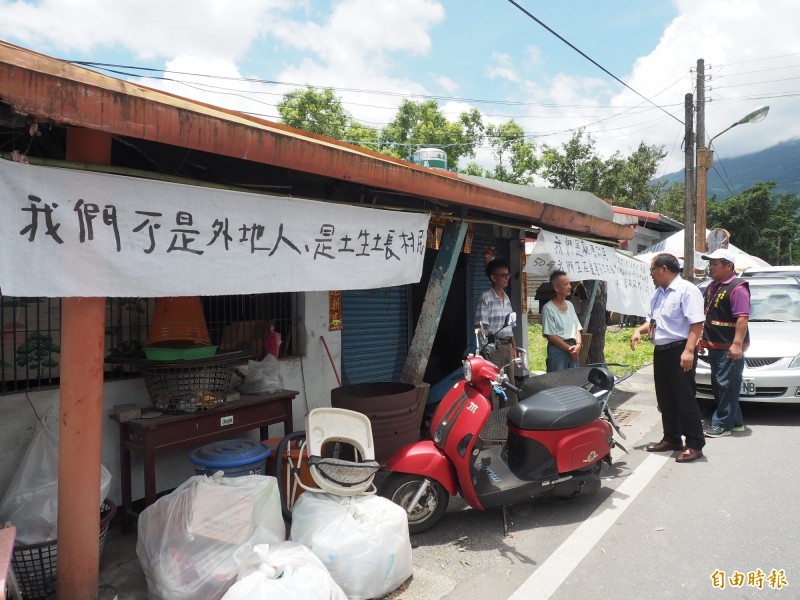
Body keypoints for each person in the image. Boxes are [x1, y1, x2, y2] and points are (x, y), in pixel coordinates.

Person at [631, 253, 705, 463]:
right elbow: (653, 322)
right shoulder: (658, 294)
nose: (651, 274)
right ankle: (672, 438)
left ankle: (694, 443)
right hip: (661, 351)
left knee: (685, 398)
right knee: (665, 399)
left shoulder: (687, 290)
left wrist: (689, 350)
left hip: (680, 350)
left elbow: (696, 323)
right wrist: (639, 330)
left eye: (652, 270)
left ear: (663, 269)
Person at [699, 248, 750, 437]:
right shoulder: (713, 286)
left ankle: (722, 424)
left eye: (715, 264)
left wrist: (737, 345)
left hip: (729, 346)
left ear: (729, 266)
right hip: (715, 344)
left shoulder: (738, 287)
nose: (711, 268)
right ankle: (735, 422)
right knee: (722, 384)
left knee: (726, 384)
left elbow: (742, 318)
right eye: (710, 264)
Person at [474, 258, 516, 394]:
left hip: (508, 347)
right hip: (494, 349)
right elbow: (480, 328)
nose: (507, 278)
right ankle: (494, 415)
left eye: (508, 275)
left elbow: (510, 327)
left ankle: (508, 414)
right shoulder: (485, 298)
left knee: (509, 386)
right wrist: (486, 351)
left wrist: (514, 348)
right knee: (494, 387)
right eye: (503, 275)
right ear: (493, 277)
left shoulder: (507, 298)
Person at [541, 270, 583, 372]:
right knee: (558, 382)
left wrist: (578, 345)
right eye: (566, 284)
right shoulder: (548, 308)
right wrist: (570, 349)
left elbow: (577, 328)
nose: (569, 287)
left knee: (573, 382)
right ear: (556, 288)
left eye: (569, 283)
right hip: (558, 349)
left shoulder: (570, 305)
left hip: (573, 347)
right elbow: (551, 335)